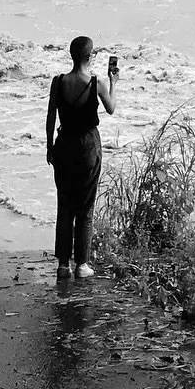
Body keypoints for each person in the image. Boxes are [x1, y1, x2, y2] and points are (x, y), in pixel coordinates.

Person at [46, 35, 117, 280]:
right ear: (89, 56)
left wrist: (49, 146)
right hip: (87, 145)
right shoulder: (96, 83)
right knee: (85, 206)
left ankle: (63, 265)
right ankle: (82, 264)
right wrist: (113, 82)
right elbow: (111, 108)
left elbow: (50, 117)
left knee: (64, 205)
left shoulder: (58, 82)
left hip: (64, 143)